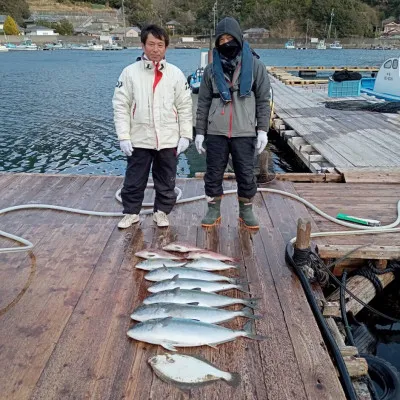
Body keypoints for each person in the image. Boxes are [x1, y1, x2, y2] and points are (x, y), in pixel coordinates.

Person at [113, 24, 192, 229]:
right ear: (142, 45)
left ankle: (162, 212)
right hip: (139, 137)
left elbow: (184, 106)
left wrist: (185, 135)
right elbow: (121, 106)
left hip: (168, 138)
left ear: (166, 47)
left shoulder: (175, 74)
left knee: (166, 180)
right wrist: (123, 136)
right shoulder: (129, 73)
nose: (155, 49)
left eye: (160, 44)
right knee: (134, 179)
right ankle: (131, 212)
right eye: (151, 44)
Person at [195, 17, 271, 229]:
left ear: (238, 38)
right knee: (213, 174)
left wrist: (263, 130)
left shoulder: (256, 67)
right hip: (216, 131)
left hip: (244, 131)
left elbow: (264, 100)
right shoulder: (210, 70)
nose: (226, 42)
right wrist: (199, 132)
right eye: (222, 39)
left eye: (230, 38)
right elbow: (202, 102)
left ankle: (246, 211)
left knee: (246, 174)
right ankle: (213, 209)